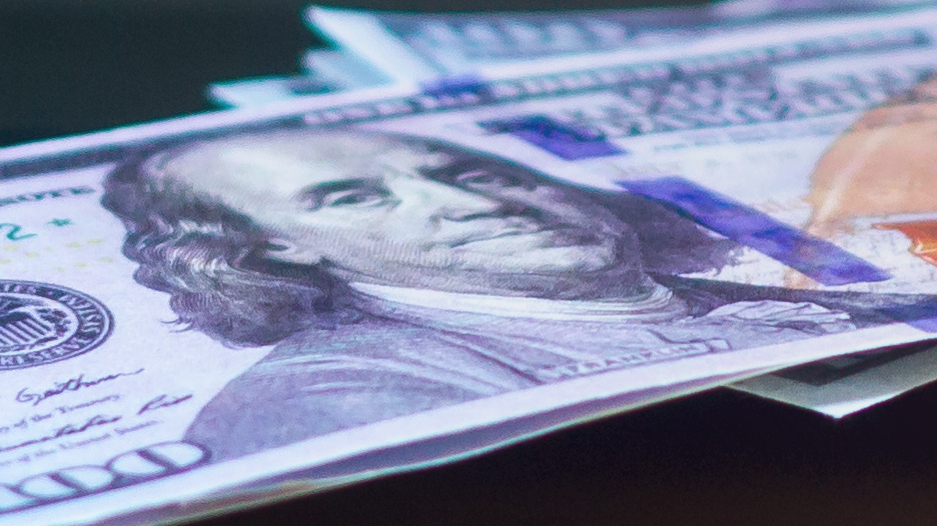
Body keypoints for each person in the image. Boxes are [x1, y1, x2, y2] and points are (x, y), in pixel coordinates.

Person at [102, 124, 864, 461]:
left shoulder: (826, 306)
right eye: (351, 200)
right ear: (276, 247)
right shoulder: (342, 390)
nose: (474, 206)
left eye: (474, 176)